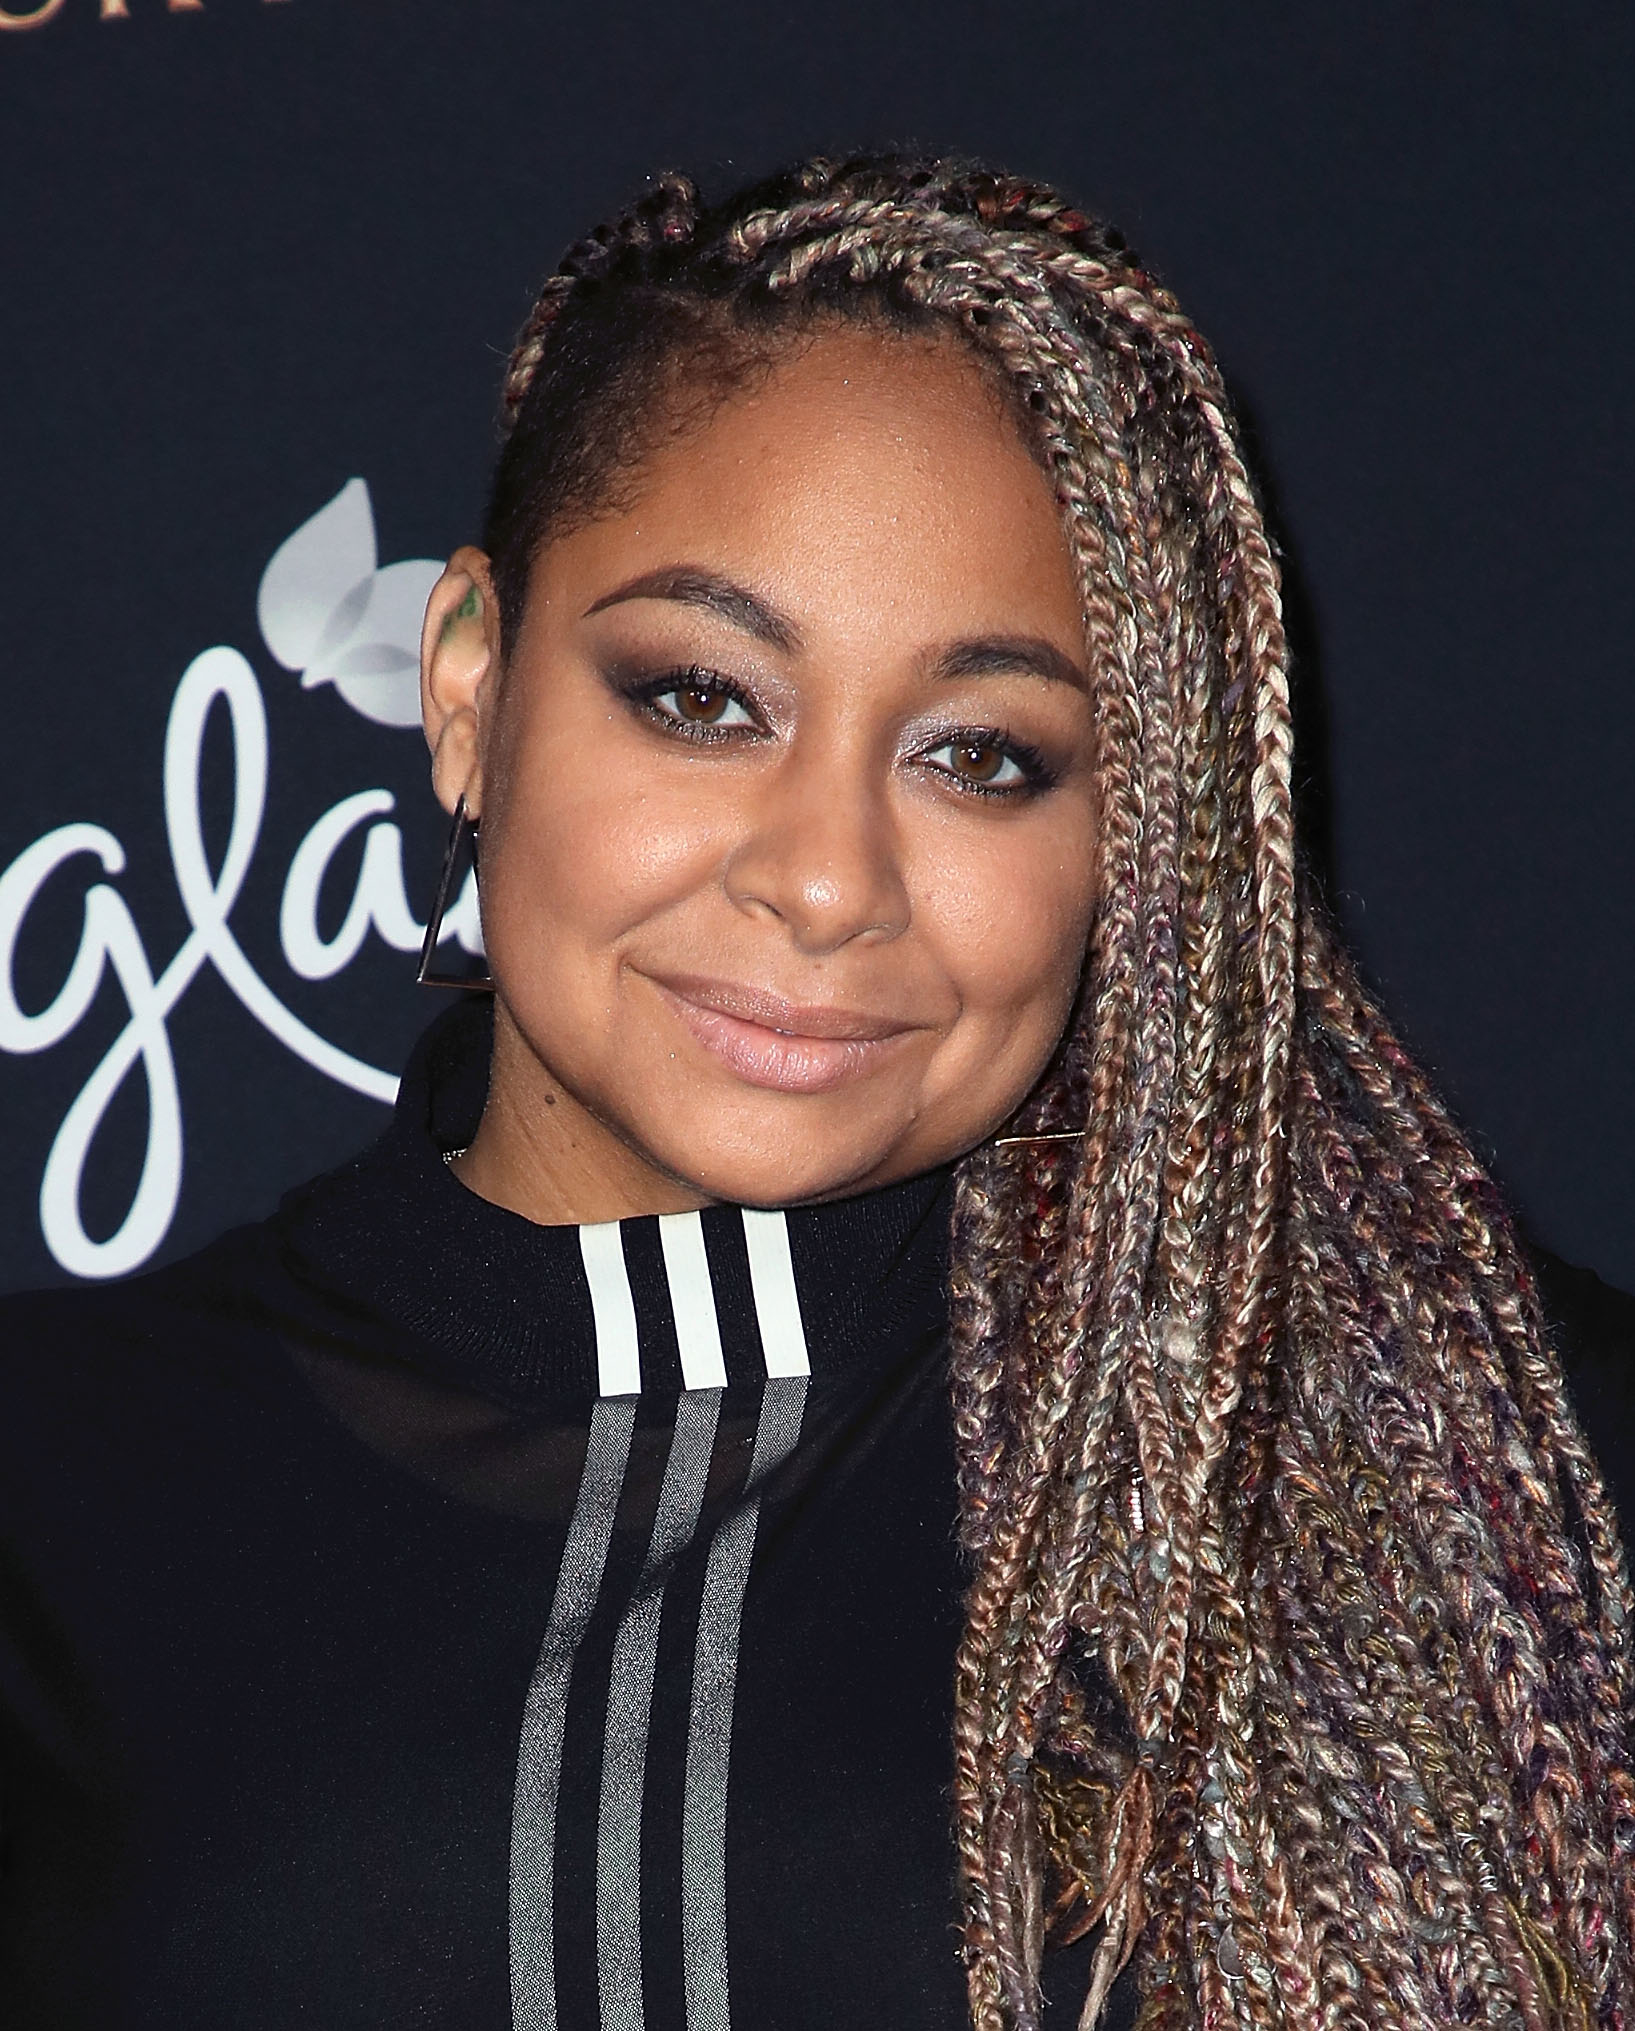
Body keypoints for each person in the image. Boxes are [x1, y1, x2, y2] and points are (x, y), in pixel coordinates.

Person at [2, 152, 1632, 2031]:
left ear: (1142, 837)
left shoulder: (1467, 1465)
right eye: (704, 698)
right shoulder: (56, 1493)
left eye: (983, 755)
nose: (831, 875)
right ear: (469, 683)